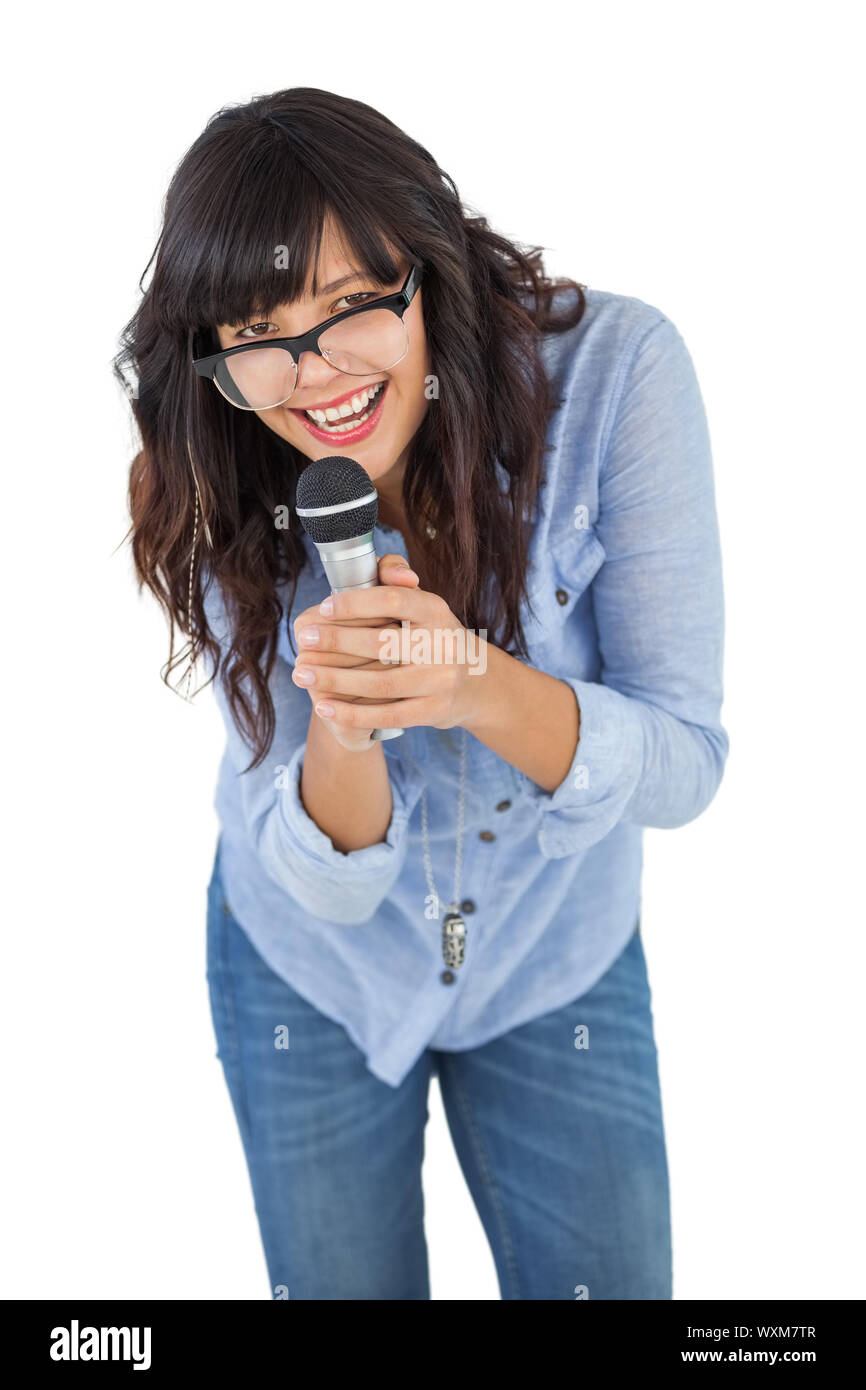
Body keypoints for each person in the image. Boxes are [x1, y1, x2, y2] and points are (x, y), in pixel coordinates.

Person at [117, 86, 728, 1300]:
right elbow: (323, 879)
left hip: (555, 957)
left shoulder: (616, 376)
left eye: (351, 306)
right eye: (259, 332)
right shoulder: (213, 453)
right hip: (313, 974)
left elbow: (683, 763)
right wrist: (346, 722)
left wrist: (469, 683)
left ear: (426, 266)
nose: (315, 374)